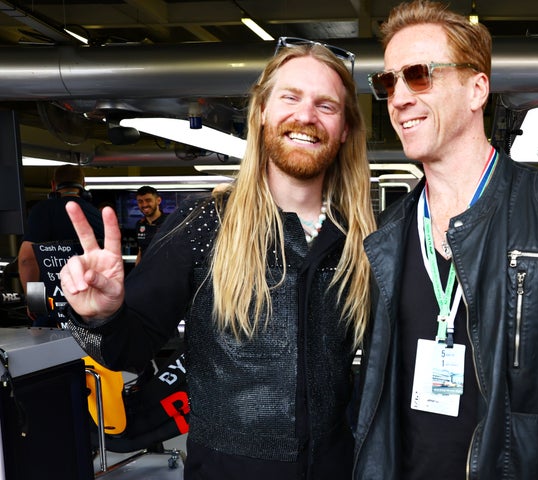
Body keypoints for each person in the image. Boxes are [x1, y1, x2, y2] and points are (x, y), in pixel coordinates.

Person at [59, 37, 375, 479]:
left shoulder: (361, 239)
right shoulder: (205, 222)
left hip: (337, 467)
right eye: (291, 97)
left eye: (327, 106)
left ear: (344, 129)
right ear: (262, 112)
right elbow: (128, 349)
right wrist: (104, 317)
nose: (306, 115)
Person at [354, 2, 538, 479]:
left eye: (418, 75)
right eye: (387, 82)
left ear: (477, 89)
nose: (397, 98)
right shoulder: (389, 233)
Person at [17, 164, 103, 326]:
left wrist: (35, 302)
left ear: (53, 185)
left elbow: (27, 260)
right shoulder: (96, 214)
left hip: (52, 310)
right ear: (83, 185)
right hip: (91, 310)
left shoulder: (43, 211)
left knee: (50, 350)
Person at [133, 185, 167, 264]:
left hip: (166, 272)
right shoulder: (139, 224)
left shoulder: (169, 222)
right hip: (145, 273)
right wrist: (136, 274)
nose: (144, 205)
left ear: (158, 200)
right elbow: (141, 250)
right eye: (140, 201)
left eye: (148, 200)